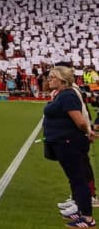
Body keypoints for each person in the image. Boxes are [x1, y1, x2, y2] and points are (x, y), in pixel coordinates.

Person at [44, 66, 96, 227]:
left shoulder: (67, 95)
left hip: (69, 143)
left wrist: (88, 131)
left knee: (78, 179)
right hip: (64, 142)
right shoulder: (63, 94)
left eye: (53, 77)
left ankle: (87, 217)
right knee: (75, 179)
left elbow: (79, 121)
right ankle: (80, 210)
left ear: (62, 79)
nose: (49, 79)